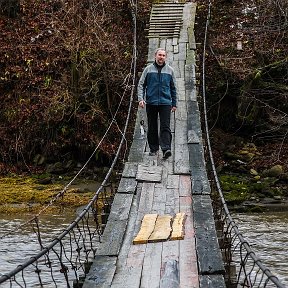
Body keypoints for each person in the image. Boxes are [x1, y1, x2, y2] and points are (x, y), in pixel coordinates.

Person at [137, 48, 177, 159]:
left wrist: (174, 103)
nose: (161, 57)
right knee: (152, 126)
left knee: (165, 126)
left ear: (166, 57)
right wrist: (141, 99)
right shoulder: (148, 70)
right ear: (155, 56)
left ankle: (166, 149)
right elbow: (141, 85)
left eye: (163, 55)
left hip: (165, 102)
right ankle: (153, 149)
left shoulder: (170, 70)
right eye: (159, 55)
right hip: (151, 102)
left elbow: (174, 88)